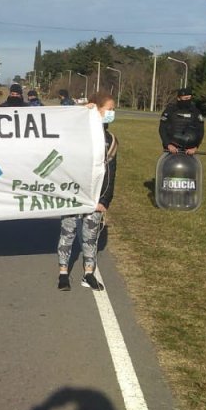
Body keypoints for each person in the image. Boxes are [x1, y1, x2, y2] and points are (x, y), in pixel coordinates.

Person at [58, 91, 117, 291]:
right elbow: (61, 127)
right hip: (73, 193)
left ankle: (89, 273)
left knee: (90, 237)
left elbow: (111, 172)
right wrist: (83, 111)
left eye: (113, 110)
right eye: (109, 109)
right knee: (68, 233)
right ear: (96, 109)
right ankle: (63, 273)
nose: (112, 113)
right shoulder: (75, 132)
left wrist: (105, 200)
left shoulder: (110, 139)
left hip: (95, 196)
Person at [159, 87, 204, 155]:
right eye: (185, 98)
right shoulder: (170, 111)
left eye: (189, 98)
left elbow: (200, 131)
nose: (188, 100)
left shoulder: (196, 112)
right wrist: (168, 145)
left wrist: (195, 147)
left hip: (189, 151)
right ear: (179, 98)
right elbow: (162, 129)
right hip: (171, 150)